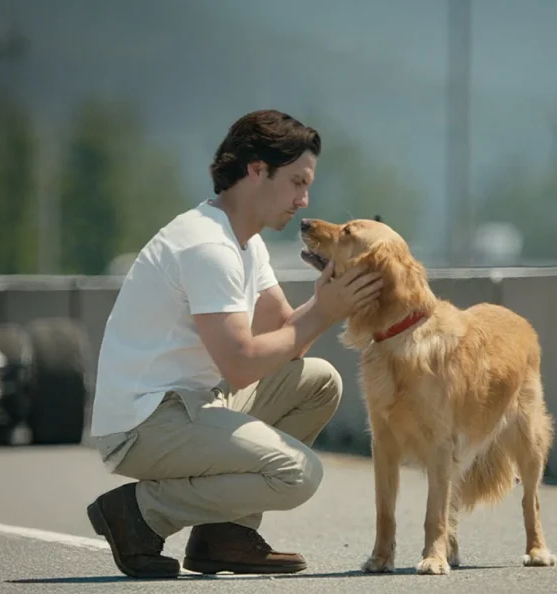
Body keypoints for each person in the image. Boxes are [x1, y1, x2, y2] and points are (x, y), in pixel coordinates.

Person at [85, 109, 384, 579]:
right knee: (298, 474)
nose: (304, 200)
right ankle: (140, 512)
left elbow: (286, 337)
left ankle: (224, 535)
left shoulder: (245, 242)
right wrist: (325, 311)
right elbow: (242, 364)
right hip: (143, 424)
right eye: (297, 182)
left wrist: (329, 295)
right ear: (257, 170)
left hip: (193, 404)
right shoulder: (208, 246)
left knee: (319, 382)